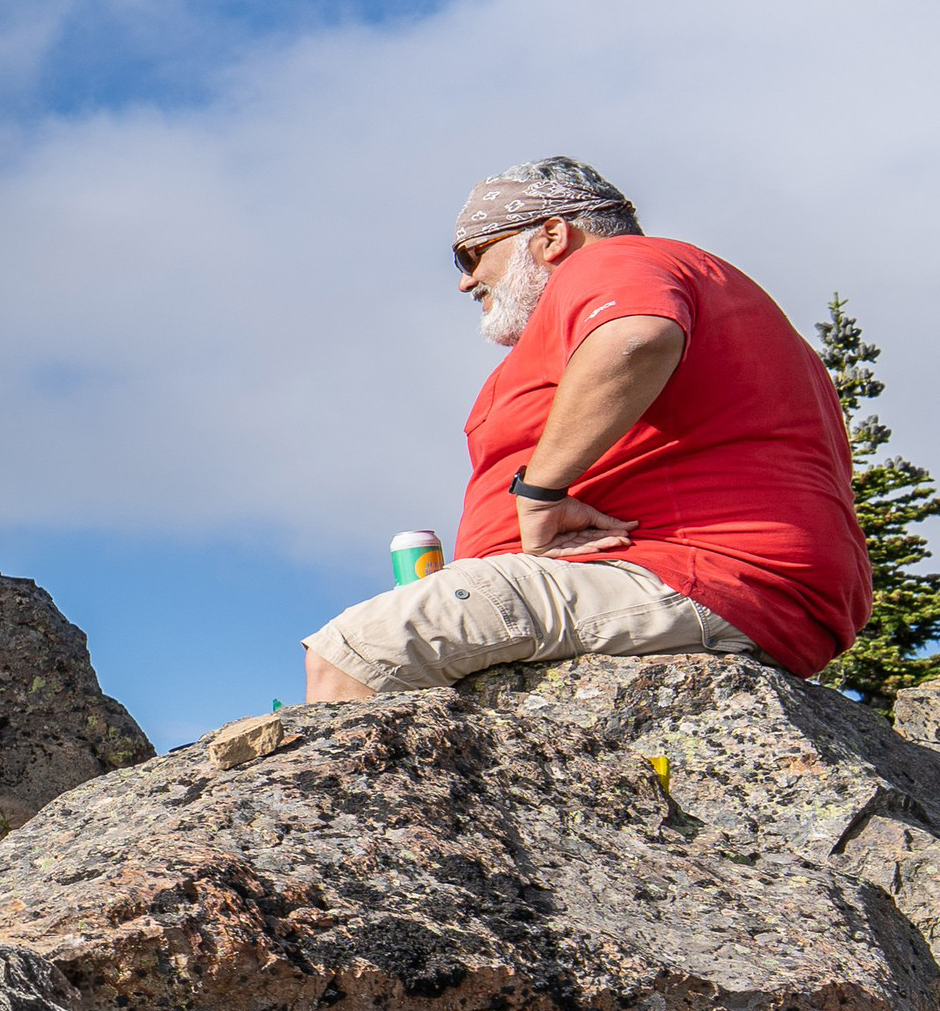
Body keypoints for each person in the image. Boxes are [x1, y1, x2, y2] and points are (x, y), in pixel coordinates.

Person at [303, 158, 869, 700]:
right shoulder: (684, 286)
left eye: (472, 255)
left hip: (694, 569)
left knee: (360, 650)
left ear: (551, 237)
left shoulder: (613, 261)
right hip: (690, 575)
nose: (466, 281)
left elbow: (636, 339)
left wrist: (540, 492)